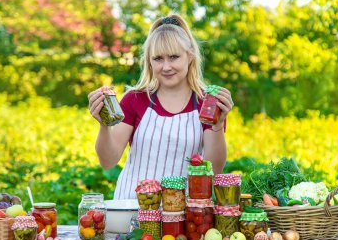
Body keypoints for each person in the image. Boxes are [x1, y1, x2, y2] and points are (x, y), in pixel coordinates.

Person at [88, 14, 234, 199]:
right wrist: (104, 125)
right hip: (132, 209)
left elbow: (213, 168)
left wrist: (217, 125)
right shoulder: (135, 99)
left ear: (190, 57)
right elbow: (108, 161)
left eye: (173, 57)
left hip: (181, 213)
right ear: (149, 61)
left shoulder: (206, 103)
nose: (166, 67)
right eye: (158, 59)